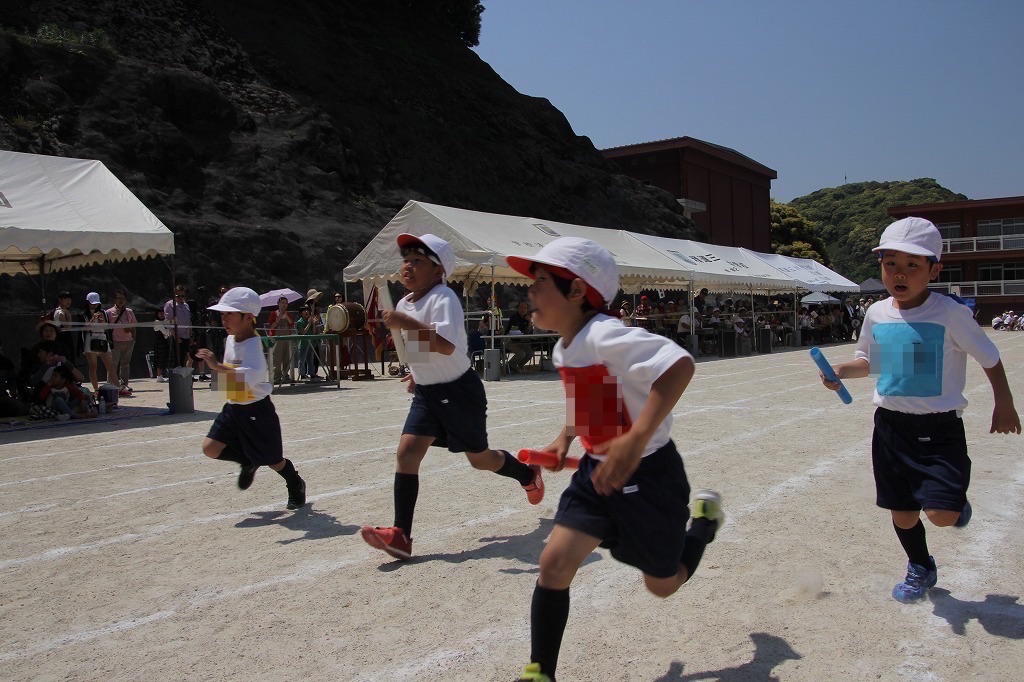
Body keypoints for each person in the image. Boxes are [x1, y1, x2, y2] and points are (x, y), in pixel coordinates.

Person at [505, 237, 724, 682]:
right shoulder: (566, 347)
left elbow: (679, 364)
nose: (530, 291)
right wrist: (563, 440)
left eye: (541, 281)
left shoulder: (606, 334)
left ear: (576, 291)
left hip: (651, 475)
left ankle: (702, 525)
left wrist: (636, 437)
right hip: (597, 473)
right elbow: (592, 402)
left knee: (662, 585)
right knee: (554, 563)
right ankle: (540, 672)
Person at [818, 217, 1020, 604]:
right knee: (903, 512)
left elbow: (990, 359)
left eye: (914, 265)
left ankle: (954, 506)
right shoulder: (877, 313)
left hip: (939, 429)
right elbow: (869, 361)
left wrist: (1004, 403)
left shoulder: (951, 314)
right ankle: (921, 566)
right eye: (891, 263)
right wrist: (842, 370)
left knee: (941, 515)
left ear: (934, 269)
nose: (901, 273)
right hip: (891, 428)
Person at [360, 233, 544, 561]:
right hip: (429, 394)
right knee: (407, 451)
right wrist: (418, 372)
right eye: (406, 260)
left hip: (460, 392)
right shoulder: (405, 303)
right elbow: (424, 350)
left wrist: (406, 323)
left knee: (480, 459)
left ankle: (528, 474)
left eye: (418, 261)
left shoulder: (443, 298)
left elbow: (446, 345)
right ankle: (401, 535)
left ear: (438, 271)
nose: (409, 267)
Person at [197, 287, 307, 510]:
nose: (224, 318)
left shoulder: (254, 344)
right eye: (223, 314)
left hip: (257, 410)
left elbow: (255, 375)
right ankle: (247, 460)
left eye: (230, 313)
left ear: (248, 318)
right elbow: (229, 376)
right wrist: (222, 385)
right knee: (210, 448)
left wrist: (217, 367)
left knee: (274, 460)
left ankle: (295, 482)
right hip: (233, 408)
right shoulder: (230, 339)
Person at [82, 292, 122, 394]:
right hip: (90, 338)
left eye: (96, 303)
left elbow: (106, 328)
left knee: (110, 365)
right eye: (92, 303)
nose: (94, 305)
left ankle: (118, 387)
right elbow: (85, 329)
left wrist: (102, 321)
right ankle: (96, 390)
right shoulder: (84, 314)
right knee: (93, 365)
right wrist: (93, 318)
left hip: (102, 337)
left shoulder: (103, 313)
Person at [106, 288, 137, 394]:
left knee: (125, 364)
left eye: (123, 298)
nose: (121, 300)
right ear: (114, 299)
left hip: (128, 341)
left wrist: (134, 338)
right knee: (112, 364)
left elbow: (134, 326)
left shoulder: (129, 312)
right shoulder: (109, 312)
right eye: (118, 298)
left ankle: (124, 385)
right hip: (115, 342)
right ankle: (111, 385)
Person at [267, 296, 295, 383]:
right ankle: (276, 377)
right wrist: (278, 318)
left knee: (287, 358)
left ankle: (286, 375)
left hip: (287, 338)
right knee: (277, 359)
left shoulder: (288, 314)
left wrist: (286, 317)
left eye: (286, 303)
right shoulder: (273, 313)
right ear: (278, 304)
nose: (284, 305)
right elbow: (271, 326)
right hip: (277, 339)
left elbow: (292, 325)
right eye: (282, 303)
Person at [164, 285, 193, 371]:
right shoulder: (170, 305)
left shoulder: (186, 305)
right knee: (176, 359)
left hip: (186, 336)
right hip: (176, 336)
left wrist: (191, 336)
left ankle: (183, 378)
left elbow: (188, 321)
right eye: (178, 296)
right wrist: (175, 335)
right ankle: (175, 379)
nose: (180, 298)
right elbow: (168, 321)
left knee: (184, 358)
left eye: (182, 296)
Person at [504, 300, 533, 374]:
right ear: (518, 308)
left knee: (530, 353)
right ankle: (509, 366)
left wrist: (529, 322)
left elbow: (528, 332)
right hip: (509, 341)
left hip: (519, 341)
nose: (523, 309)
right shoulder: (514, 317)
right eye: (521, 307)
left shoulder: (526, 318)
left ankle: (519, 366)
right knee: (521, 353)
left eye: (525, 308)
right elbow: (514, 331)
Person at [152, 307, 172, 382]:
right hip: (159, 343)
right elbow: (166, 333)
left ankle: (161, 375)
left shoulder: (163, 322)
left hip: (164, 342)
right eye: (160, 313)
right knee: (159, 358)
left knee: (163, 358)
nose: (161, 314)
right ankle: (159, 376)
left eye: (163, 313)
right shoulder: (157, 322)